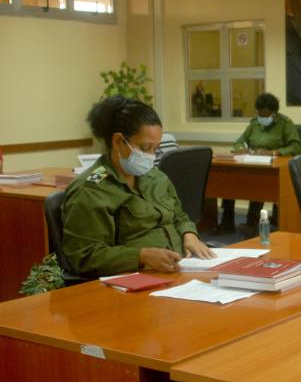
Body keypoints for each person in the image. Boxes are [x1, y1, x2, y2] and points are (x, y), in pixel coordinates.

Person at [62, 96, 214, 277]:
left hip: (181, 269)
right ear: (118, 141)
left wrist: (189, 234)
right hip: (134, 279)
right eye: (144, 148)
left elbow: (179, 216)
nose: (151, 156)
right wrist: (141, 256)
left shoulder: (155, 177)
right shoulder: (91, 189)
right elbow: (85, 256)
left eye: (155, 149)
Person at [218, 93, 301, 233]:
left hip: (273, 167)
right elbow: (239, 141)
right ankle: (227, 223)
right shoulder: (254, 123)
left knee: (259, 184)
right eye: (259, 113)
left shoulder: (285, 124)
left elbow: (296, 147)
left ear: (273, 113)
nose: (262, 118)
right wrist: (241, 149)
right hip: (252, 162)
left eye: (265, 115)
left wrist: (274, 152)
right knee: (229, 181)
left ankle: (251, 223)